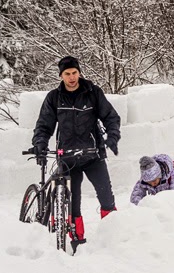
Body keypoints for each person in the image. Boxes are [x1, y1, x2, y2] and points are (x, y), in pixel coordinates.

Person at [32, 55, 121, 246]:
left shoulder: (93, 92)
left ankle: (113, 235)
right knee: (73, 202)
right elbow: (44, 125)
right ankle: (77, 238)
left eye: (74, 73)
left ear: (79, 72)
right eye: (67, 74)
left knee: (106, 197)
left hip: (92, 155)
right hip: (67, 159)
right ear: (61, 76)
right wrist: (40, 142)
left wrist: (112, 137)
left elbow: (111, 117)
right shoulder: (54, 98)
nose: (72, 77)